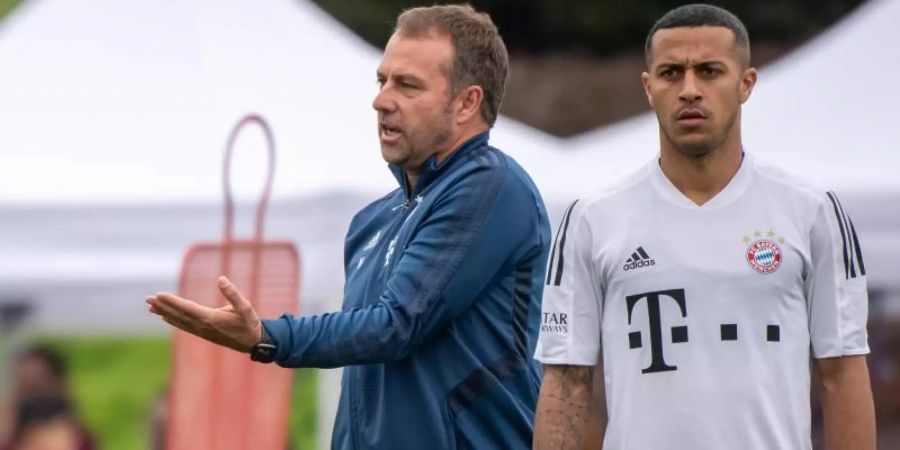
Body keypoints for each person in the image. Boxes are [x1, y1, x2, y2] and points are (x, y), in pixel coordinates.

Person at [147, 4, 551, 449]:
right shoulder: (371, 222)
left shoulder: (491, 186)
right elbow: (363, 359)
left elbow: (395, 325)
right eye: (382, 81)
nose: (381, 100)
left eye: (408, 85)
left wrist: (267, 337)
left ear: (467, 103)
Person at [532, 4, 876, 450]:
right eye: (671, 73)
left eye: (710, 71)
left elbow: (842, 372)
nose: (690, 89)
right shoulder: (592, 219)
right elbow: (566, 381)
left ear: (746, 84)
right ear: (648, 86)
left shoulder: (812, 211)